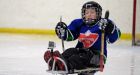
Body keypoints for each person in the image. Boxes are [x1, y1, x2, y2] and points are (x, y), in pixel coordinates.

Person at [44, 1, 121, 75]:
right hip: (81, 51)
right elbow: (70, 35)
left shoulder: (103, 24)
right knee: (69, 51)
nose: (89, 14)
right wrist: (63, 32)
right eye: (86, 12)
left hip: (97, 56)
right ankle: (57, 62)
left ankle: (65, 65)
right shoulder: (79, 23)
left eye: (92, 12)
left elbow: (113, 38)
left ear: (98, 14)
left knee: (77, 58)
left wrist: (111, 28)